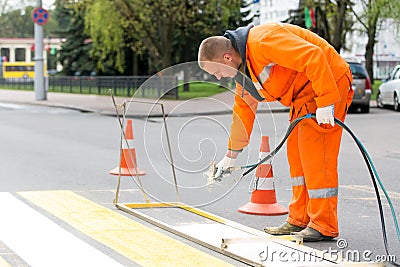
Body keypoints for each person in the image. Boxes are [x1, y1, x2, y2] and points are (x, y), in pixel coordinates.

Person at [198, 22, 354, 242]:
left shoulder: (263, 41)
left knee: (317, 156)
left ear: (226, 58)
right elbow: (243, 111)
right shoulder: (245, 70)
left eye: (216, 72)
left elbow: (313, 55)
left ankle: (324, 224)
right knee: (298, 159)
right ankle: (299, 219)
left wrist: (327, 101)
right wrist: (230, 157)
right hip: (305, 95)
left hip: (329, 82)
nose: (218, 78)